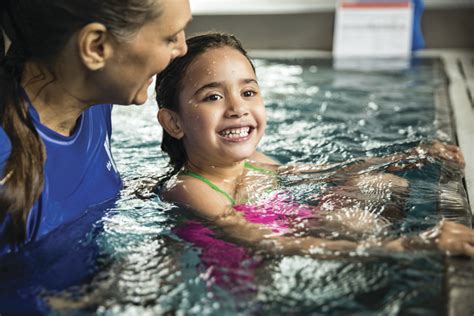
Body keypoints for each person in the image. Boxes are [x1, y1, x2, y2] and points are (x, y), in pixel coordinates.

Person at [155, 32, 474, 258]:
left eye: (248, 93)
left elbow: (325, 173)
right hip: (244, 274)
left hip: (293, 227)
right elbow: (264, 242)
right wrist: (409, 245)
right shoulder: (189, 187)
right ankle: (387, 257)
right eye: (213, 97)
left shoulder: (254, 160)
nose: (238, 108)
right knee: (360, 220)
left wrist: (405, 158)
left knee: (384, 183)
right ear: (174, 123)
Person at [0, 0, 192, 255]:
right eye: (169, 38)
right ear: (96, 47)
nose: (183, 48)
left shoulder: (91, 99)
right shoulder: (6, 165)